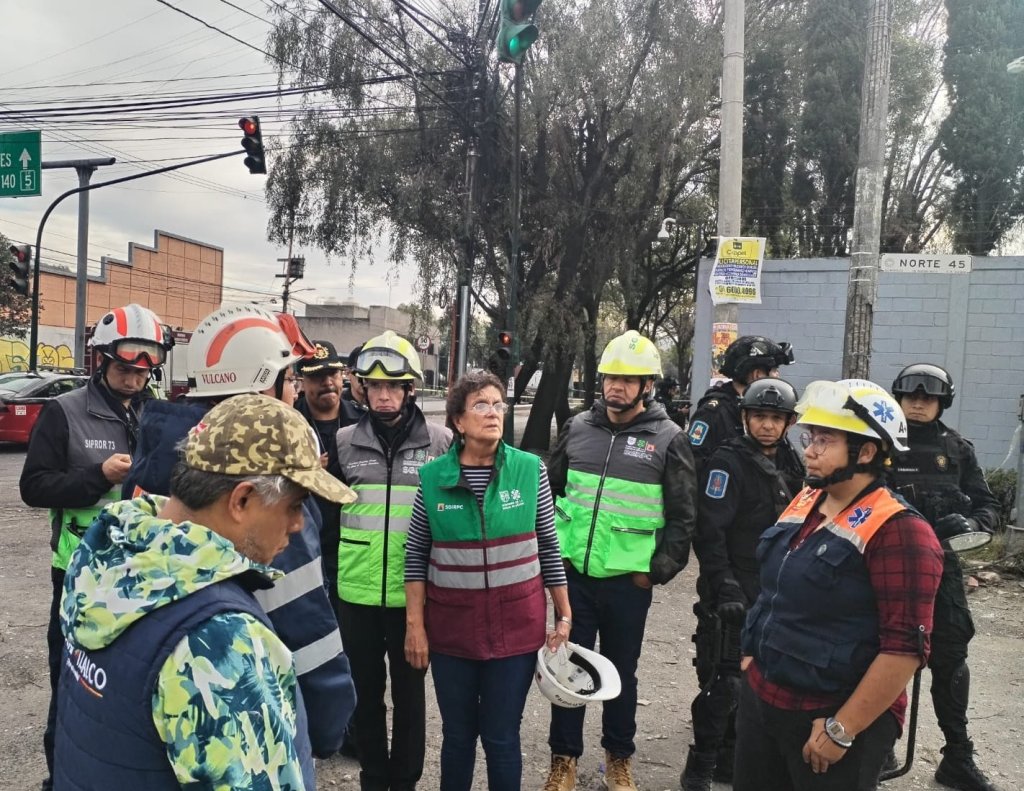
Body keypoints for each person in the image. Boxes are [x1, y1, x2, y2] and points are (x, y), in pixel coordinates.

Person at [53, 394, 356, 789]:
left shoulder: (105, 556)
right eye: (295, 505)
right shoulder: (219, 643)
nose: (299, 524)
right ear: (242, 499)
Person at [118, 305, 358, 759]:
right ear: (262, 383)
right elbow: (306, 629)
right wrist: (329, 724)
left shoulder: (154, 461)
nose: (295, 393)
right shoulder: (267, 492)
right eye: (289, 380)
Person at [734, 380, 944, 791]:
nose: (809, 449)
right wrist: (749, 658)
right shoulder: (809, 499)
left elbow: (904, 650)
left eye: (824, 440)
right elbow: (773, 589)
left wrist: (841, 729)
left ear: (866, 452)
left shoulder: (901, 532)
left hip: (828, 719)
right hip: (765, 701)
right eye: (811, 437)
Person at [19, 303, 171, 791]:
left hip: (144, 572)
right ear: (101, 361)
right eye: (124, 370)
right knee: (73, 684)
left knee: (127, 687)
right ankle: (60, 776)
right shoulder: (63, 413)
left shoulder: (156, 414)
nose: (133, 381)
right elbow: (34, 487)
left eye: (142, 373)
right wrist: (96, 477)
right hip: (79, 573)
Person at [543, 330, 697, 791]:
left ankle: (618, 758)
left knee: (620, 672)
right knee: (567, 666)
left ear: (647, 386)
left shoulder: (669, 439)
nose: (617, 387)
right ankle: (563, 760)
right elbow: (548, 492)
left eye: (629, 380)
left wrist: (654, 572)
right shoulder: (577, 428)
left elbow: (684, 516)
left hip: (628, 583)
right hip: (573, 577)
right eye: (612, 377)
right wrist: (553, 557)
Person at [403, 370, 571, 790]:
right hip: (452, 633)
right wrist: (415, 627)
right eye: (480, 405)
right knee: (458, 737)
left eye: (498, 404)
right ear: (458, 421)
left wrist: (564, 614)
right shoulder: (433, 479)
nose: (493, 413)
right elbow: (415, 558)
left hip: (515, 630)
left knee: (501, 738)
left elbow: (549, 547)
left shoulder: (531, 471)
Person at [335, 330, 452, 791]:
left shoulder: (440, 442)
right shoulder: (343, 441)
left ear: (410, 389)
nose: (383, 396)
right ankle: (372, 777)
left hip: (413, 596)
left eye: (393, 387)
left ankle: (404, 781)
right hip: (355, 592)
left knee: (410, 697)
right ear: (363, 389)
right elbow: (328, 518)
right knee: (365, 696)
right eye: (375, 387)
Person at [682, 378, 803, 791]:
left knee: (769, 679)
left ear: (788, 423)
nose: (768, 425)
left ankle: (738, 756)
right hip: (733, 583)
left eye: (776, 418)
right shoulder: (727, 462)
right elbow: (710, 531)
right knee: (725, 678)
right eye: (760, 417)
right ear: (746, 418)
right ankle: (701, 764)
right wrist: (725, 585)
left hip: (779, 586)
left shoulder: (792, 462)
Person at [887, 363, 1002, 791]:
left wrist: (970, 524)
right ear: (898, 398)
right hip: (891, 570)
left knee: (951, 658)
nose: (918, 403)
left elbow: (988, 506)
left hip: (943, 569)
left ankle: (957, 755)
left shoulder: (957, 449)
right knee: (886, 653)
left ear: (941, 402)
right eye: (911, 396)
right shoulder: (880, 442)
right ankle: (881, 745)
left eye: (928, 398)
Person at [295, 339, 360, 616]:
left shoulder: (362, 424)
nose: (328, 383)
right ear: (302, 381)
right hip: (301, 547)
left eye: (332, 374)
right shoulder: (287, 422)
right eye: (318, 376)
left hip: (351, 550)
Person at [688, 335, 799, 476]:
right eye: (775, 370)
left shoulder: (760, 409)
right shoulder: (714, 413)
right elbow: (691, 465)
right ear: (757, 374)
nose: (778, 376)